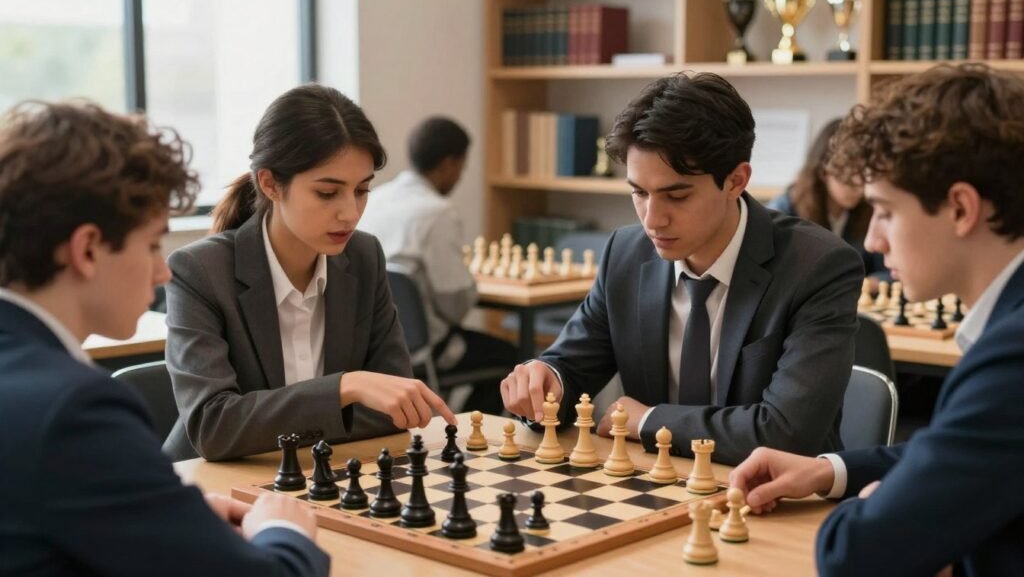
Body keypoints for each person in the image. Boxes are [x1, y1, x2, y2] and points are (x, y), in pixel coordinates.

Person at [0, 101, 328, 576]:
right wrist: (285, 530)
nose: (162, 270)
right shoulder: (75, 409)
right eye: (153, 243)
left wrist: (167, 522)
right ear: (88, 249)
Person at [729, 64, 1024, 577]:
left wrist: (870, 505)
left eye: (885, 211)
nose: (872, 241)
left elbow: (855, 555)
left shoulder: (1013, 356)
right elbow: (957, 452)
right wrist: (829, 470)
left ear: (960, 208)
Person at [500, 72, 865, 465]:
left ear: (736, 180)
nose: (652, 220)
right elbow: (571, 367)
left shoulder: (819, 266)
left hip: (776, 504)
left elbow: (786, 432)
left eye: (676, 195)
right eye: (639, 193)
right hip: (653, 489)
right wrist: (546, 378)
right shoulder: (626, 254)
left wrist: (650, 421)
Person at [164, 85, 456, 461]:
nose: (350, 213)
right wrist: (344, 389)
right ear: (270, 183)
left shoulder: (364, 257)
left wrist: (265, 421)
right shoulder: (200, 272)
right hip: (213, 488)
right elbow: (214, 427)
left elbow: (395, 409)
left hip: (321, 477)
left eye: (362, 190)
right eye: (327, 193)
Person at [358, 116, 517, 414]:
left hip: (374, 342)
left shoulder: (375, 199)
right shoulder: (437, 212)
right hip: (426, 350)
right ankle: (470, 435)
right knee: (514, 359)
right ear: (448, 164)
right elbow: (454, 301)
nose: (459, 177)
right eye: (461, 167)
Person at [767, 118, 888, 282]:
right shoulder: (783, 212)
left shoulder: (870, 209)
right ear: (823, 170)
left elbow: (887, 271)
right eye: (850, 174)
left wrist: (871, 283)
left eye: (864, 175)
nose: (860, 186)